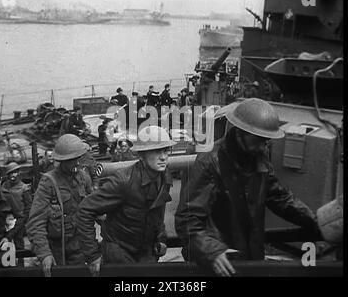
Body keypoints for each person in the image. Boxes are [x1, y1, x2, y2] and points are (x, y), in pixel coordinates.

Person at [175, 98, 321, 277]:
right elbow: (188, 218)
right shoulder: (209, 163)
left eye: (265, 141)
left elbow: (280, 198)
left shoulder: (260, 160)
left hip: (250, 257)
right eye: (258, 139)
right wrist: (211, 251)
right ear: (240, 133)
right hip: (218, 263)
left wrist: (317, 222)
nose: (262, 146)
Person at [77, 126, 177, 276]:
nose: (163, 157)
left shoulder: (164, 176)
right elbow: (85, 210)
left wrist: (161, 238)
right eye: (157, 151)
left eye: (165, 151)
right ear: (142, 155)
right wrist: (92, 255)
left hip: (146, 252)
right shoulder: (124, 181)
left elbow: (157, 211)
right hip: (120, 253)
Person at [26, 134, 92, 277]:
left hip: (80, 248)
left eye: (78, 158)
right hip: (57, 251)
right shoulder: (48, 182)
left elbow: (92, 207)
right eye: (73, 159)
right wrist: (44, 254)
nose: (77, 163)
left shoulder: (83, 178)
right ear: (63, 160)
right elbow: (35, 223)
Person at [2, 162, 32, 251]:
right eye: (10, 173)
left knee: (18, 240)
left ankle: (20, 262)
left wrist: (24, 219)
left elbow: (28, 206)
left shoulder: (24, 188)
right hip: (6, 217)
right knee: (6, 242)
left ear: (18, 173)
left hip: (19, 218)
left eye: (14, 172)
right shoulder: (4, 186)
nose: (12, 175)